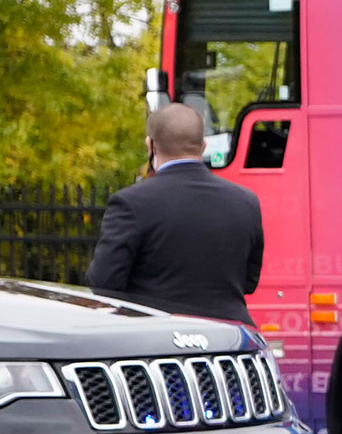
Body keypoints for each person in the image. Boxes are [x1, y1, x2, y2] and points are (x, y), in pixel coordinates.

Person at [84, 103, 264, 325]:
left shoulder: (131, 203)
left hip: (160, 339)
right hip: (229, 339)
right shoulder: (246, 201)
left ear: (151, 146)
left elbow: (103, 282)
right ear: (203, 146)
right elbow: (249, 282)